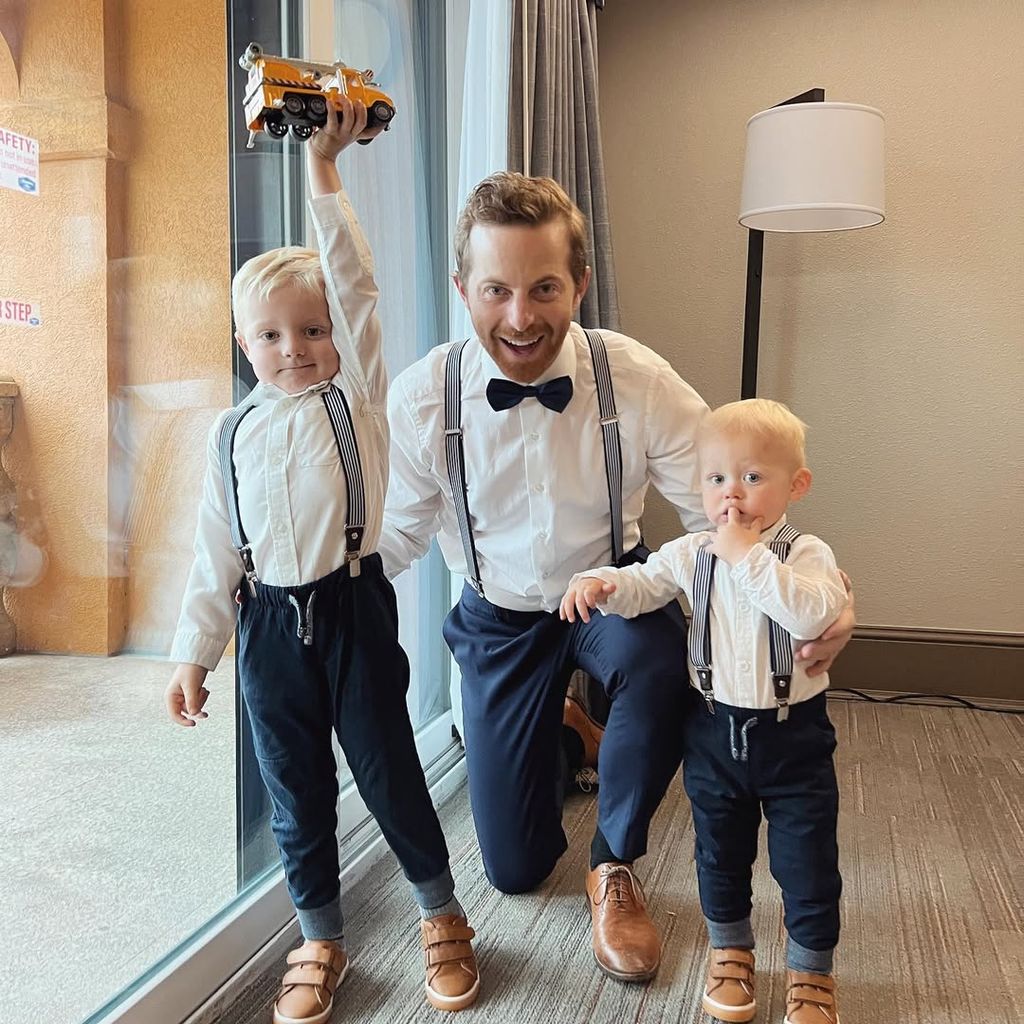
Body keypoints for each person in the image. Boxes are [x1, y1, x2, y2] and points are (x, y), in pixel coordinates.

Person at [378, 172, 854, 984]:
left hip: (611, 590)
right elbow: (395, 535)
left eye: (544, 288)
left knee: (664, 662)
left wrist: (833, 600)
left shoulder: (630, 375)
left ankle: (613, 864)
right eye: (495, 290)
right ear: (462, 289)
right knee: (516, 869)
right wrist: (306, 583)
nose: (520, 317)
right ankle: (570, 728)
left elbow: (733, 504)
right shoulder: (427, 394)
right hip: (498, 614)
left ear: (581, 285)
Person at [164, 100, 479, 1024]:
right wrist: (194, 650)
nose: (294, 349)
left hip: (351, 610)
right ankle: (320, 933)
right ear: (242, 344)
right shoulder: (229, 434)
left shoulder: (356, 401)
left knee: (387, 769)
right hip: (266, 626)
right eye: (270, 335)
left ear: (336, 338)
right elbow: (215, 551)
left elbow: (353, 285)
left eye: (311, 330)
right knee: (291, 783)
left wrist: (323, 174)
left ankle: (440, 912)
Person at [561, 399, 846, 1024]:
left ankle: (810, 969)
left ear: (795, 485)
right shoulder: (694, 552)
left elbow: (813, 613)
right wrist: (605, 584)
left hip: (791, 737)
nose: (731, 495)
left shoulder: (805, 553)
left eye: (751, 477)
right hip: (715, 732)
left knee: (806, 861)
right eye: (717, 479)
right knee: (718, 853)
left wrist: (748, 555)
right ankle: (731, 951)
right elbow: (646, 585)